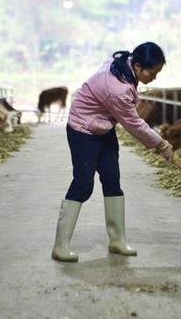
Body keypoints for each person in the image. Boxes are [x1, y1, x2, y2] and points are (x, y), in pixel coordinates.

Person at [51, 42, 174, 262]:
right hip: (83, 130)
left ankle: (117, 241)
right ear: (137, 65)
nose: (154, 78)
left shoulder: (123, 64)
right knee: (83, 184)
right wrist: (161, 144)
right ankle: (60, 246)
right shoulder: (117, 89)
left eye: (157, 73)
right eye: (151, 72)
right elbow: (134, 124)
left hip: (103, 127)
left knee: (112, 181)